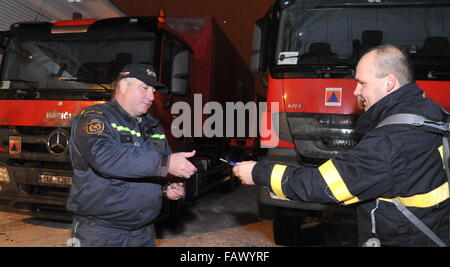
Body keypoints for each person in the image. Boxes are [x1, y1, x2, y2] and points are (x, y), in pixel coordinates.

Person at [233, 44, 449, 247]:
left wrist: (258, 172)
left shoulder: (390, 142)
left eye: (362, 83)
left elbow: (320, 185)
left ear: (388, 83)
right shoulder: (431, 114)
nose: (356, 92)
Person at [66, 64, 197, 247]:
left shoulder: (153, 127)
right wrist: (165, 164)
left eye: (153, 91)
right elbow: (106, 157)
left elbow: (152, 167)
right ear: (122, 86)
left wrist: (166, 187)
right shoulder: (96, 118)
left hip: (143, 231)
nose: (151, 97)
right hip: (100, 232)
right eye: (144, 88)